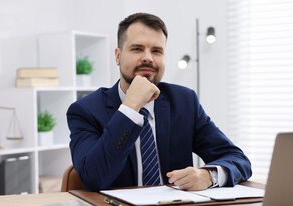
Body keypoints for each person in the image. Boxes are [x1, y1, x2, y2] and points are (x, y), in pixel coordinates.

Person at [67, 13, 252, 192]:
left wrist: (208, 176)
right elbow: (94, 177)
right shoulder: (85, 111)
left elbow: (238, 160)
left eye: (156, 51)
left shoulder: (184, 102)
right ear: (118, 56)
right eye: (137, 49)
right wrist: (130, 107)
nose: (148, 57)